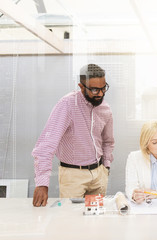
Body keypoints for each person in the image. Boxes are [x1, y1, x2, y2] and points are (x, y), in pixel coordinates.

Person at [32, 64, 115, 207]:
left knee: (96, 222)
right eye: (95, 89)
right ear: (81, 87)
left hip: (99, 175)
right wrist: (42, 183)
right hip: (73, 176)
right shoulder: (67, 104)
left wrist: (106, 166)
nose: (100, 94)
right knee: (70, 222)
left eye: (103, 88)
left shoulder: (105, 108)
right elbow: (47, 144)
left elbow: (108, 141)